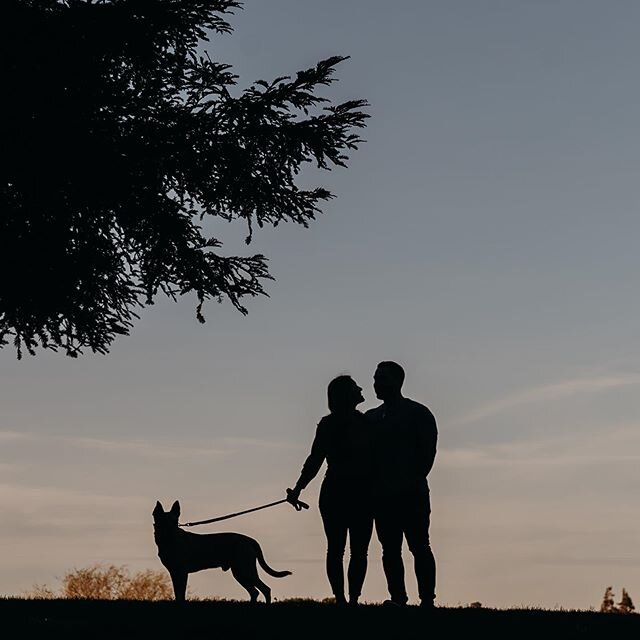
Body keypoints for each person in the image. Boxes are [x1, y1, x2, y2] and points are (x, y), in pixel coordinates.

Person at [286, 375, 374, 605]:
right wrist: (298, 488)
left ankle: (343, 600)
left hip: (337, 491)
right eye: (356, 386)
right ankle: (350, 600)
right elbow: (315, 460)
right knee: (357, 551)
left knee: (337, 550)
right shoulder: (365, 424)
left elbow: (315, 461)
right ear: (347, 394)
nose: (361, 388)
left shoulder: (329, 424)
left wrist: (298, 489)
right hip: (358, 493)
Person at [365, 361, 438, 609]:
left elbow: (427, 455)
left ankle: (427, 599)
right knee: (390, 549)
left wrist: (408, 480)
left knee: (419, 545)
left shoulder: (418, 413)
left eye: (381, 378)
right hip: (383, 495)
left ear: (397, 381)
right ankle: (398, 598)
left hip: (411, 493)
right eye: (375, 378)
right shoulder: (371, 418)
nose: (376, 383)